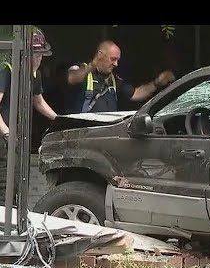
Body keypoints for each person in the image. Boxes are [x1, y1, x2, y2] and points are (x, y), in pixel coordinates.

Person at [0, 26, 58, 207]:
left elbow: (38, 101)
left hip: (16, 140)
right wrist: (6, 132)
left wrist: (61, 120)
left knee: (16, 185)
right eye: (36, 54)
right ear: (23, 53)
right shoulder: (6, 71)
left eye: (41, 55)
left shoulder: (34, 74)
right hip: (4, 139)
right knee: (4, 186)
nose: (39, 59)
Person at [64, 40, 176, 114]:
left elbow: (136, 93)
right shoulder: (84, 71)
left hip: (107, 134)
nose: (116, 64)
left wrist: (157, 83)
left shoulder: (114, 79)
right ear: (100, 55)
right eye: (113, 59)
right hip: (84, 134)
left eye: (117, 60)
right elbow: (72, 78)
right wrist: (93, 64)